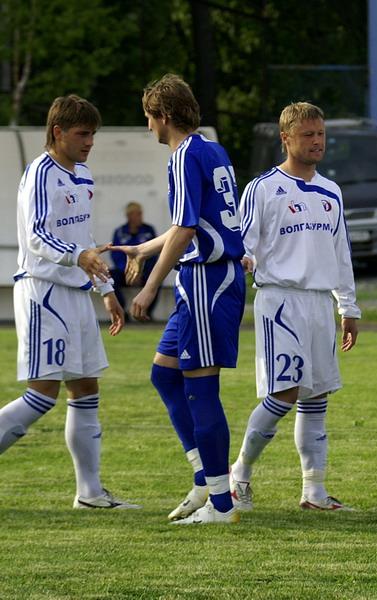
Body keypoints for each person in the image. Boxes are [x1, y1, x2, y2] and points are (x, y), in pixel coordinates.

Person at [112, 74, 246, 524]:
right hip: (201, 279)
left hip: (208, 280)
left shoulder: (184, 155)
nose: (148, 127)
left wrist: (150, 285)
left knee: (201, 387)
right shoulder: (210, 147)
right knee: (164, 376)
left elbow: (189, 229)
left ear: (164, 116)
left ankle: (223, 504)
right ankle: (203, 480)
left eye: (149, 118)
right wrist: (141, 249)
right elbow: (191, 224)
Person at [0, 94, 138, 509]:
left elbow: (86, 242)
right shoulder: (40, 173)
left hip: (77, 294)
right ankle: (90, 492)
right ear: (57, 132)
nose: (89, 141)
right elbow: (39, 235)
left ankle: (90, 493)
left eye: (93, 134)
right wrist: (78, 257)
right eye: (82, 133)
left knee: (85, 387)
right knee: (42, 394)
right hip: (45, 293)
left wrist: (107, 291)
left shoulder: (82, 174)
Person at [229, 102, 360, 512]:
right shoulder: (263, 188)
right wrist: (245, 260)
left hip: (320, 303)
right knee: (283, 391)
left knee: (317, 396)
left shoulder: (331, 191)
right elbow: (243, 241)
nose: (317, 141)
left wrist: (348, 306)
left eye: (320, 134)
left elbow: (341, 253)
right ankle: (239, 476)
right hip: (280, 301)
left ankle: (314, 491)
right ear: (285, 138)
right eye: (308, 134)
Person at [110, 202, 158, 319]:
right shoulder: (120, 232)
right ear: (129, 215)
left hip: (144, 271)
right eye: (136, 214)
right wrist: (129, 271)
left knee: (157, 277)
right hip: (124, 272)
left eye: (140, 213)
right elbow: (116, 254)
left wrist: (140, 271)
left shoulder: (149, 230)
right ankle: (122, 312)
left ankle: (145, 313)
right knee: (110, 277)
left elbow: (154, 253)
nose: (139, 216)